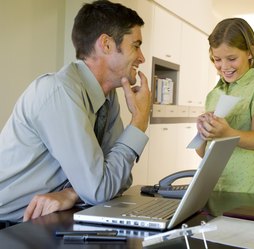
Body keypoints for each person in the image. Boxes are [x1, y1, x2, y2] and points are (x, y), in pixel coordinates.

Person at [0, 0, 151, 224]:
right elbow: (101, 188)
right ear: (106, 45)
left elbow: (120, 179)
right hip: (8, 226)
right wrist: (138, 121)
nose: (142, 57)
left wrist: (72, 193)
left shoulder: (108, 98)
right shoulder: (60, 92)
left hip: (44, 218)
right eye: (136, 45)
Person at [196, 18, 254, 194]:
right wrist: (202, 132)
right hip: (212, 188)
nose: (224, 66)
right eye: (217, 59)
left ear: (250, 52)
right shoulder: (214, 94)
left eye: (232, 58)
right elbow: (203, 153)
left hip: (243, 191)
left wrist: (227, 133)